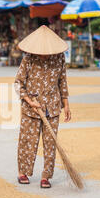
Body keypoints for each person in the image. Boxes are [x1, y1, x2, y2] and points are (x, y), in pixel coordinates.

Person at [14, 25, 71, 189]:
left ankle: (46, 176)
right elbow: (18, 83)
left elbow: (63, 82)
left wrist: (66, 105)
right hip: (31, 108)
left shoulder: (59, 58)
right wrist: (30, 101)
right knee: (27, 141)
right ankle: (23, 172)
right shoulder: (29, 58)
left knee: (50, 143)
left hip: (52, 106)